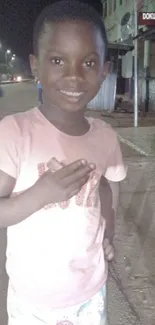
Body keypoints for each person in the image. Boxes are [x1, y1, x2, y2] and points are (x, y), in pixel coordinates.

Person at [0, 1, 126, 324]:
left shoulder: (106, 137)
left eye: (88, 62)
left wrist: (107, 236)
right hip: (33, 303)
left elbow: (105, 192)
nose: (73, 75)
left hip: (89, 295)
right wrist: (40, 194)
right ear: (35, 66)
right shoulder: (15, 133)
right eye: (58, 60)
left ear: (104, 71)